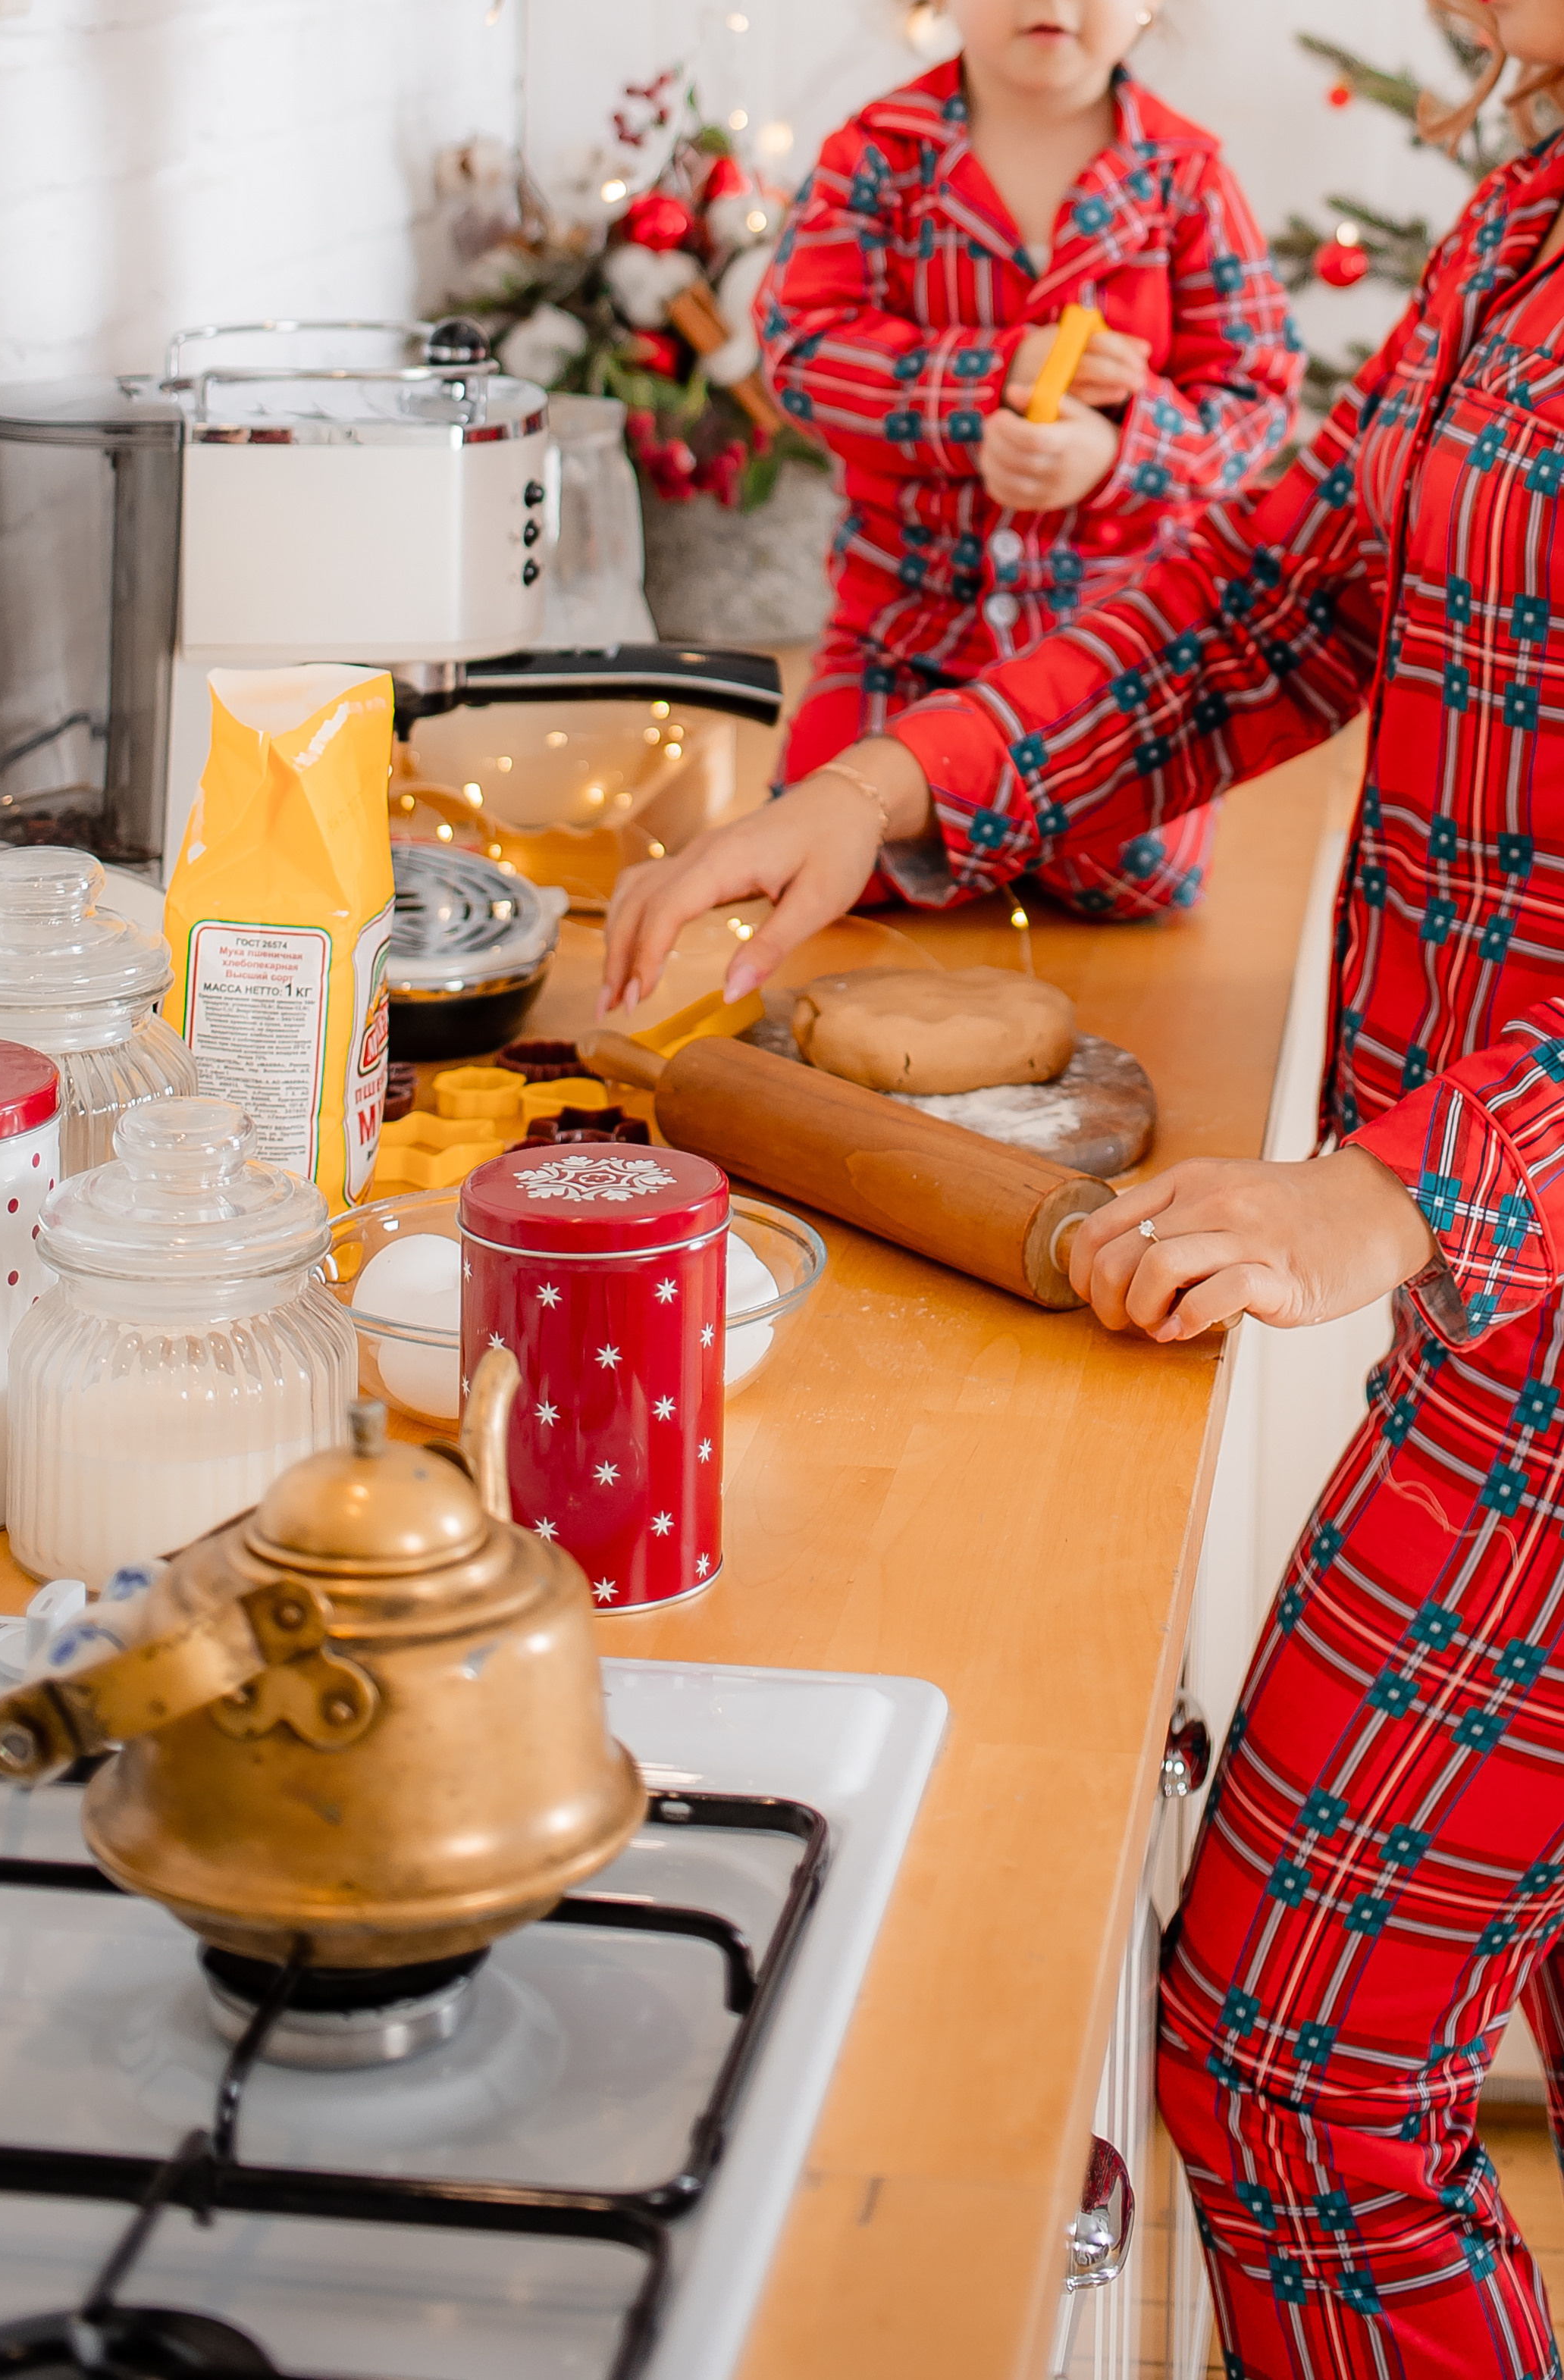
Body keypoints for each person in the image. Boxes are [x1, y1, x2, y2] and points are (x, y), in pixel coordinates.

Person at [605, 2, 1564, 2366]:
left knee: (1298, 2067)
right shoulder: (1528, 209)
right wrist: (884, 787)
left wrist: (1412, 1181)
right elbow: (1297, 578)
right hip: (1502, 1269)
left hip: (1520, 1292)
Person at [752, 0, 1302, 925]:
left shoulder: (1186, 178)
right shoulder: (877, 157)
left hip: (1110, 637)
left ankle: (981, 824)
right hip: (906, 625)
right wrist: (991, 377)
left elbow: (1257, 394)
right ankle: (968, 821)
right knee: (821, 855)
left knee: (1136, 876)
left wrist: (1117, 452)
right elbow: (801, 351)